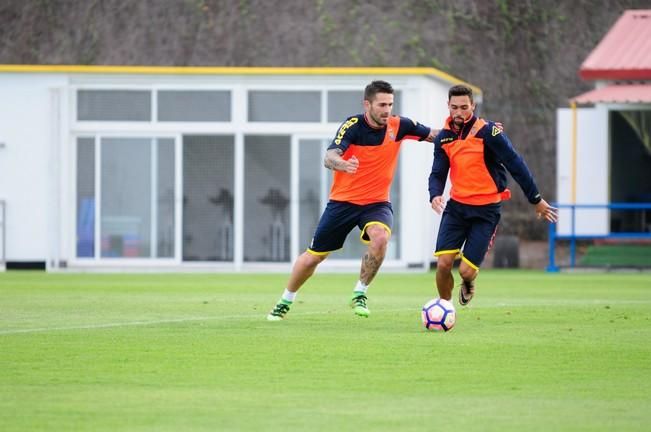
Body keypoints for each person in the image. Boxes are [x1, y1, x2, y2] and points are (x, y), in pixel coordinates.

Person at [267, 80, 436, 320]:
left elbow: (435, 136)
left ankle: (360, 292)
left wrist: (466, 131)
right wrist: (343, 164)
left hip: (376, 203)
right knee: (313, 257)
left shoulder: (399, 125)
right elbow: (329, 157)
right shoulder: (353, 125)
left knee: (381, 238)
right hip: (342, 203)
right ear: (367, 104)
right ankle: (286, 299)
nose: (387, 110)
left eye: (390, 104)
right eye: (381, 105)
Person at [428, 84, 558, 305]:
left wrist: (535, 199)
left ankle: (469, 282)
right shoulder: (444, 138)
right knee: (443, 264)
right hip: (456, 209)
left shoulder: (490, 132)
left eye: (464, 107)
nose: (459, 112)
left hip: (486, 211)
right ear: (448, 106)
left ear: (473, 106)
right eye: (454, 107)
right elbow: (438, 172)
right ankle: (444, 307)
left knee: (466, 271)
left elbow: (516, 164)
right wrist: (435, 194)